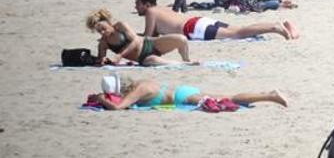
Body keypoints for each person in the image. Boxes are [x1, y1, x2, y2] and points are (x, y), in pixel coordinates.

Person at [132, 0, 298, 40]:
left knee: (238, 33)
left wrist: (132, 35)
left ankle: (275, 28)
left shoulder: (151, 12)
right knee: (239, 29)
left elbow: (148, 37)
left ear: (147, 4)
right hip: (197, 21)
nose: (136, 7)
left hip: (192, 28)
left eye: (138, 4)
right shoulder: (163, 9)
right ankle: (278, 25)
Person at [90, 75, 287, 111]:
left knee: (232, 98)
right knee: (228, 95)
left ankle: (270, 96)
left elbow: (118, 107)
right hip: (183, 92)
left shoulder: (138, 90)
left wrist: (101, 99)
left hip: (182, 97)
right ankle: (268, 95)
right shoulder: (140, 83)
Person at [86, 9, 193, 66]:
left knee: (181, 39)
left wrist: (120, 55)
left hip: (151, 44)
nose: (103, 32)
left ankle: (186, 59)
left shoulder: (120, 26)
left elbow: (136, 41)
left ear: (109, 23)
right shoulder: (104, 43)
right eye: (99, 31)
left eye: (103, 28)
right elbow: (100, 60)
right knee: (154, 61)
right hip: (143, 58)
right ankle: (185, 64)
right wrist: (103, 60)